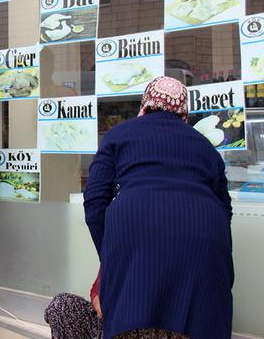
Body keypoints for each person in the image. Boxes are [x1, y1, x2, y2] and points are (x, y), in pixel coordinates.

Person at [84, 76, 233, 339]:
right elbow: (224, 208)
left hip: (136, 225)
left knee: (132, 318)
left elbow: (95, 200)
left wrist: (110, 252)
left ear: (145, 104)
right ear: (183, 111)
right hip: (204, 229)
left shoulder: (119, 135)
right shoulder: (204, 146)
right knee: (198, 319)